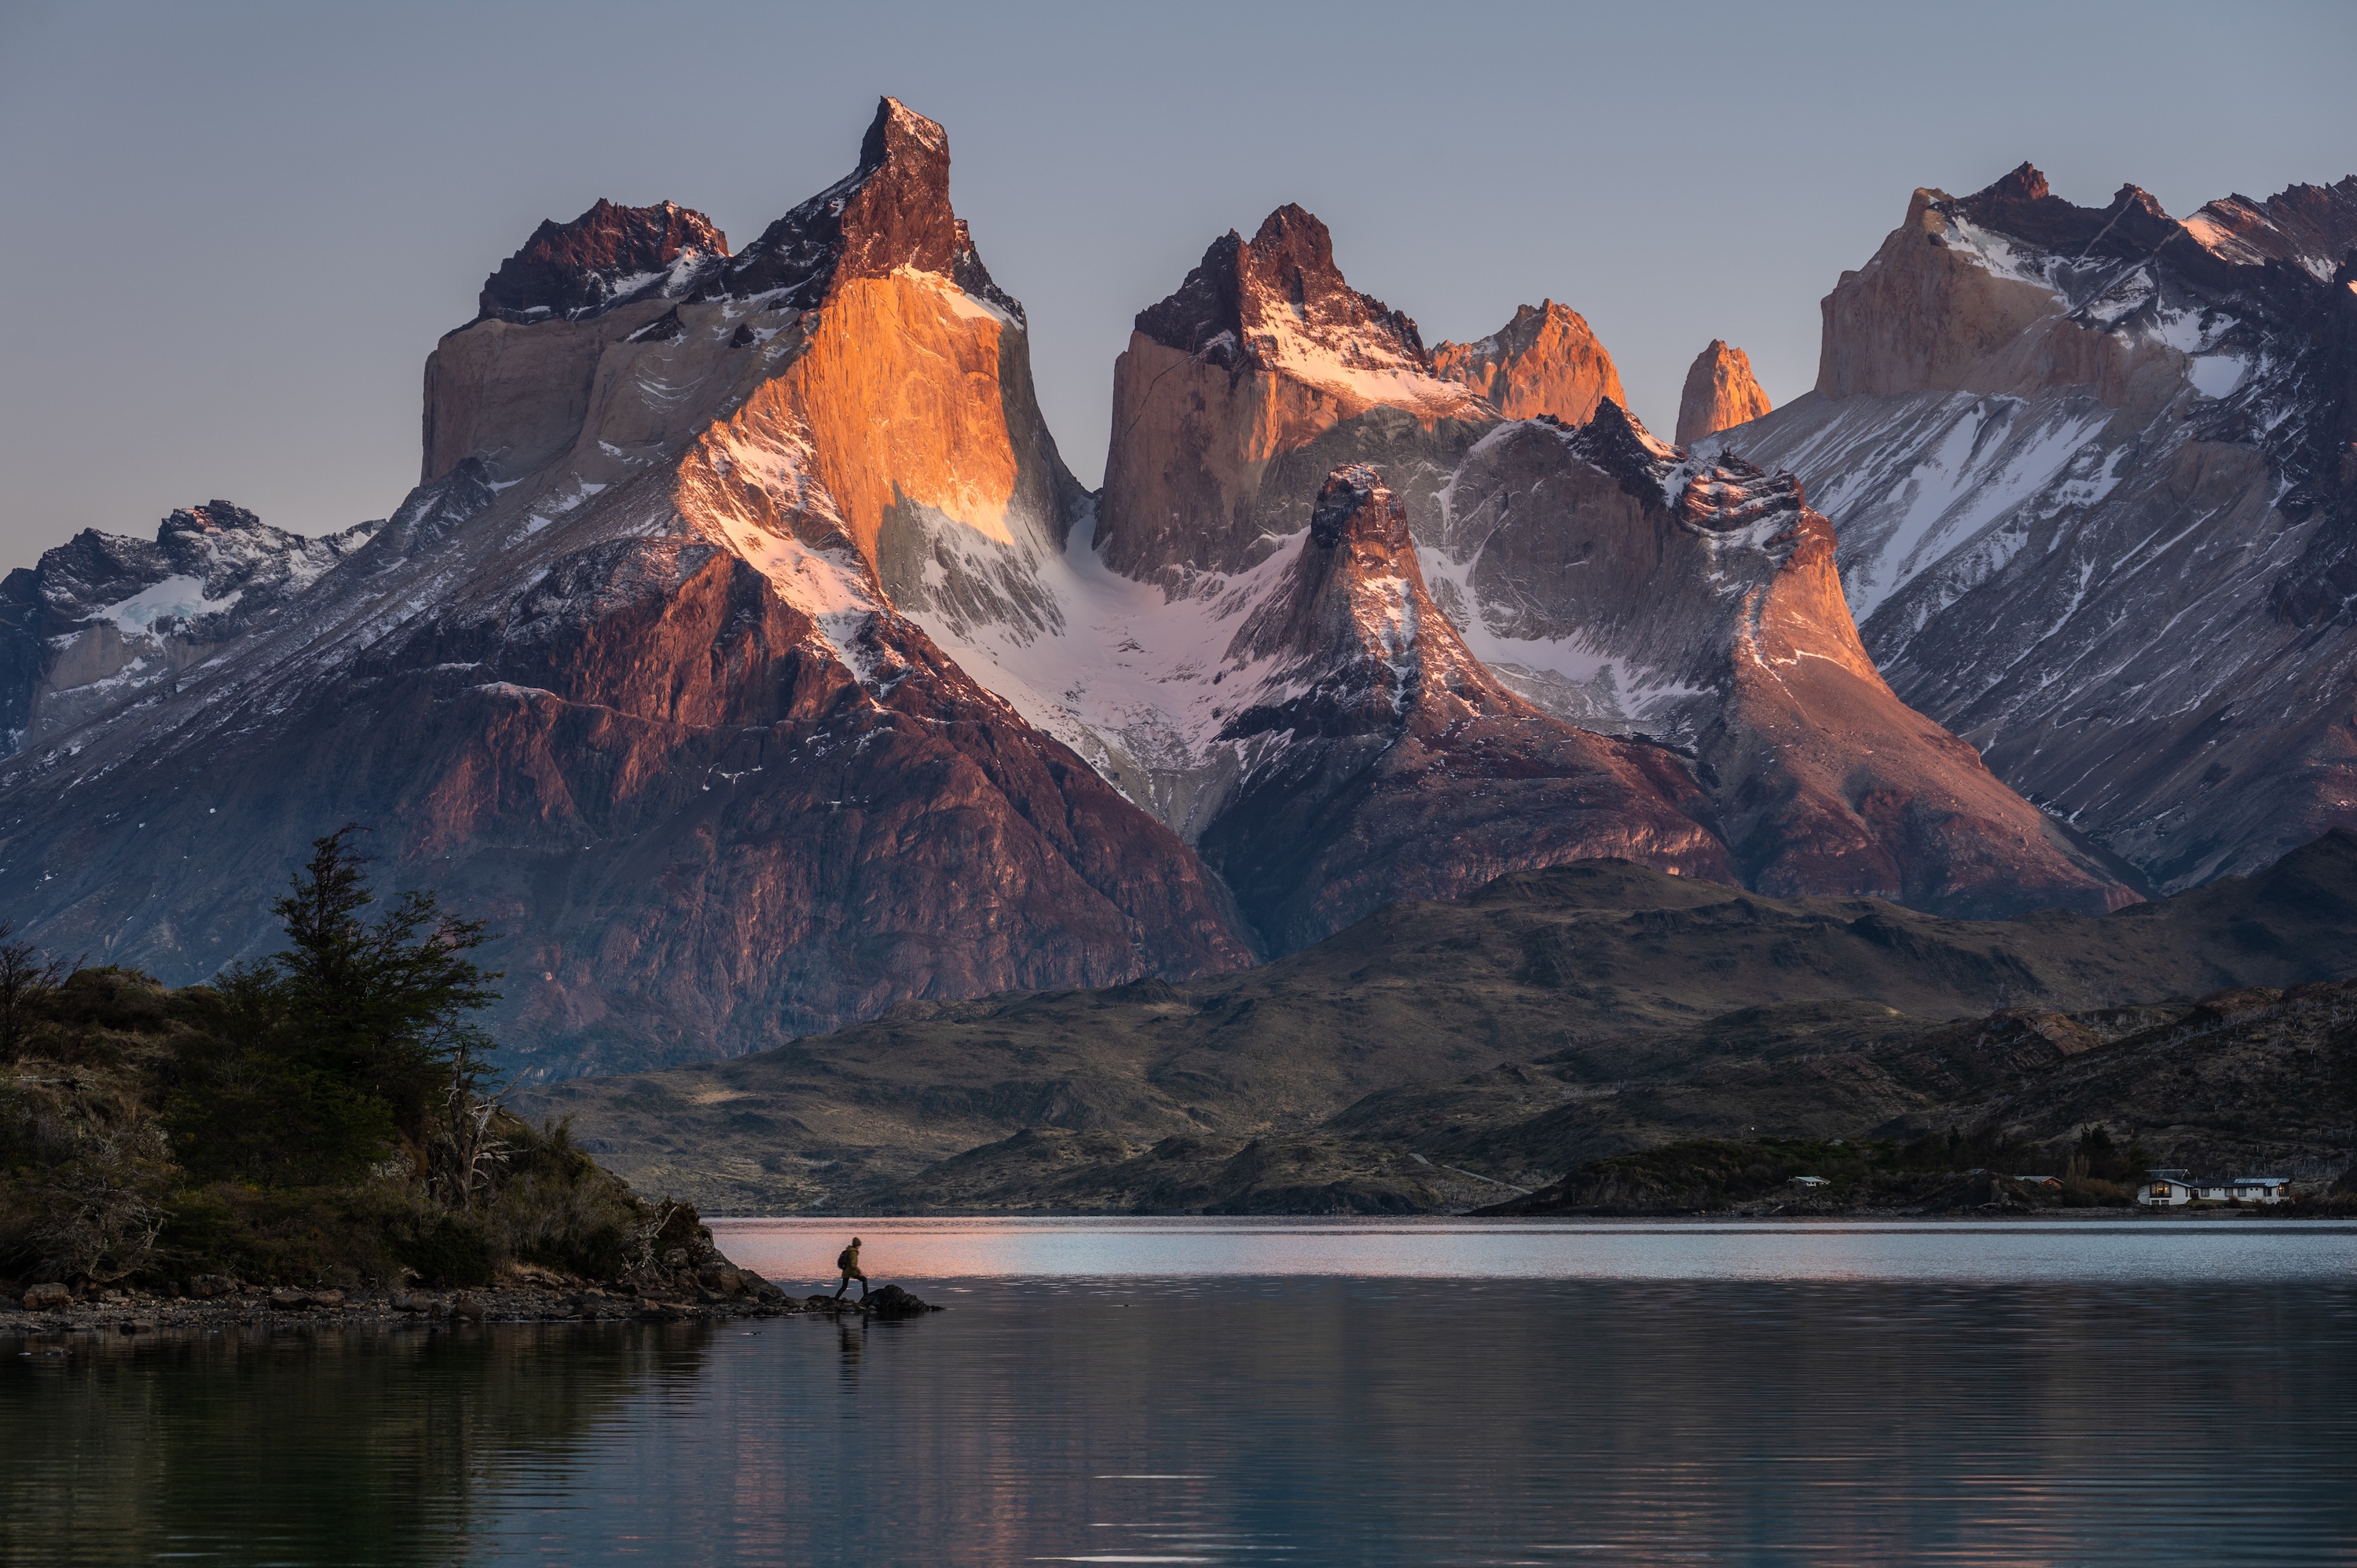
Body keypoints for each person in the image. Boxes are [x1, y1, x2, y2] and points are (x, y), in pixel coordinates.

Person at [834, 1236, 868, 1301]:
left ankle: (836, 1298)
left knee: (844, 1287)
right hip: (851, 1272)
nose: (859, 1247)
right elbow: (853, 1265)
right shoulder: (853, 1253)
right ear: (857, 1245)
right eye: (859, 1246)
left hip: (845, 1272)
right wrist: (859, 1272)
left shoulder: (849, 1250)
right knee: (864, 1280)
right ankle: (866, 1296)